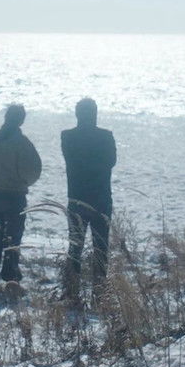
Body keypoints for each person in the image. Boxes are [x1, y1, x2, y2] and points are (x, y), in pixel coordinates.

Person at [0, 104, 41, 285]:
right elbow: (33, 170)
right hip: (15, 196)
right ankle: (10, 273)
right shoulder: (22, 143)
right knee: (13, 237)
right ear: (21, 120)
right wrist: (22, 181)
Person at [61, 97, 116, 301]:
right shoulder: (105, 137)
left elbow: (74, 161)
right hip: (100, 198)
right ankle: (99, 293)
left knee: (76, 246)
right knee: (100, 248)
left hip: (77, 198)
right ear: (95, 114)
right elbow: (110, 162)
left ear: (77, 114)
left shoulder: (68, 137)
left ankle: (72, 290)